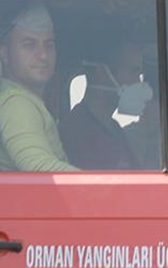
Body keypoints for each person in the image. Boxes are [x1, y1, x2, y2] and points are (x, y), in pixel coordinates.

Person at [0, 3, 77, 172]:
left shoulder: (19, 98)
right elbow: (39, 168)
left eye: (49, 45)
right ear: (5, 54)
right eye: (29, 44)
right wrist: (104, 191)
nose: (43, 55)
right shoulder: (16, 104)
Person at [59, 38, 153, 170]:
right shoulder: (75, 131)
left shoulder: (114, 128)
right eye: (133, 72)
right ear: (102, 73)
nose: (138, 82)